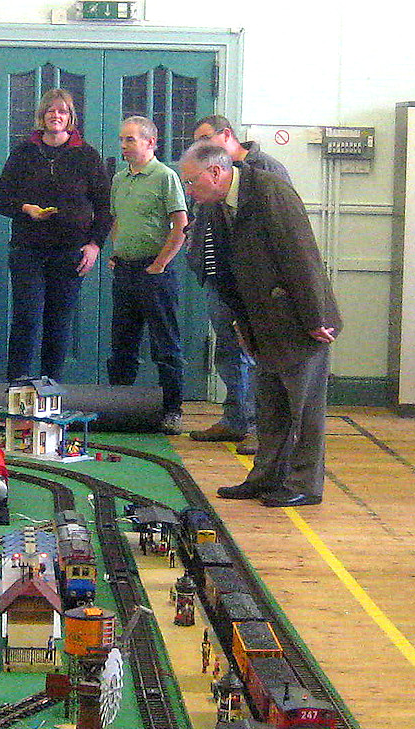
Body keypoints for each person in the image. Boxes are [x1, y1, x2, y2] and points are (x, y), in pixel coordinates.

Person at [179, 141, 341, 507]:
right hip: (261, 322)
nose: (189, 190)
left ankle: (305, 485)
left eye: (191, 181)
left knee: (305, 409)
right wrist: (241, 322)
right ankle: (266, 477)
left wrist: (315, 318)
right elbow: (227, 272)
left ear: (216, 172)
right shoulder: (218, 205)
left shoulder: (271, 192)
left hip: (300, 321)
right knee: (270, 406)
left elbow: (302, 256)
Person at [186, 116, 292, 454]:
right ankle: (236, 419)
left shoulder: (265, 170)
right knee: (228, 352)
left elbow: (283, 230)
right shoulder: (209, 177)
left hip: (254, 283)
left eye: (206, 138)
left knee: (260, 356)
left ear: (227, 135)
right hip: (220, 279)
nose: (201, 146)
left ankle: (264, 429)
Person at [0, 90, 111, 381]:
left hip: (70, 252)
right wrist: (26, 209)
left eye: (62, 111)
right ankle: (17, 389)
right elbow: (1, 200)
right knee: (26, 320)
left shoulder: (87, 155)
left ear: (70, 117)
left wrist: (95, 245)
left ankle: (50, 390)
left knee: (58, 323)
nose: (56, 116)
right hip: (28, 250)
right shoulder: (23, 153)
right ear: (42, 116)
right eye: (50, 111)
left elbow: (105, 207)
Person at [107, 116, 188, 434]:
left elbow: (181, 226)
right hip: (124, 271)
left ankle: (172, 410)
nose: (123, 145)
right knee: (122, 344)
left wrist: (160, 264)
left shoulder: (165, 177)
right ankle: (118, 408)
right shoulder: (119, 179)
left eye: (130, 139)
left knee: (165, 345)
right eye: (122, 139)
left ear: (151, 142)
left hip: (155, 273)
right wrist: (116, 252)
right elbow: (117, 219)